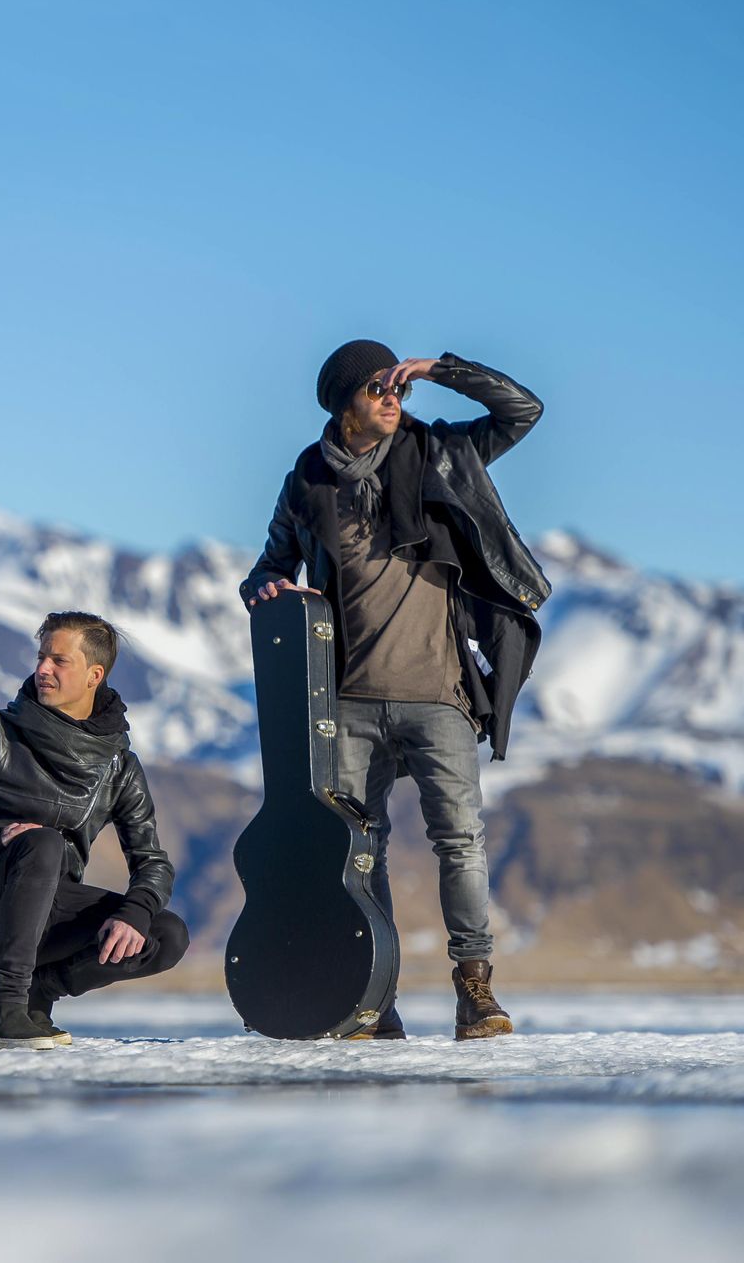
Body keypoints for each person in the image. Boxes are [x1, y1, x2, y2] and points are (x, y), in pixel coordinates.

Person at [240, 340, 549, 1040]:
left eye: (398, 390)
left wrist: (442, 370)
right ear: (342, 402)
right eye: (377, 389)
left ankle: (476, 988)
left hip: (437, 692)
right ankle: (371, 997)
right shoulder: (309, 478)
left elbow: (523, 410)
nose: (393, 400)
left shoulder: (437, 452)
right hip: (345, 701)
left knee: (460, 841)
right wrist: (266, 587)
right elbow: (266, 565)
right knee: (357, 850)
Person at [0, 611, 190, 1050]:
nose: (42, 669)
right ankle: (7, 1009)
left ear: (95, 675)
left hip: (49, 918)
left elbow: (152, 863)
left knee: (165, 934)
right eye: (41, 657)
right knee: (41, 841)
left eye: (59, 661)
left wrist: (136, 912)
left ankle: (43, 992)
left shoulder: (118, 767)